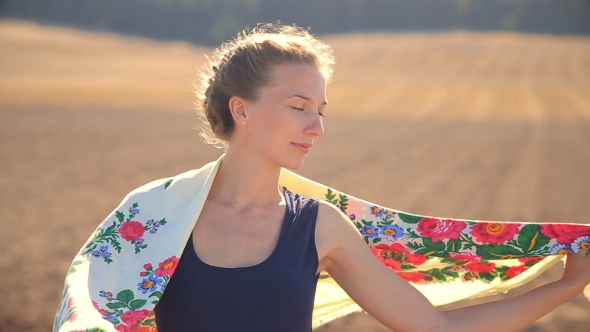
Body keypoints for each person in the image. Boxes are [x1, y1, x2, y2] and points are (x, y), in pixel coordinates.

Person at [54, 23, 590, 332]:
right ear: (241, 110)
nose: (316, 126)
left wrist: (565, 288)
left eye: (321, 110)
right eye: (297, 107)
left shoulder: (320, 227)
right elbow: (87, 315)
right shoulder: (151, 216)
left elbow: (438, 330)